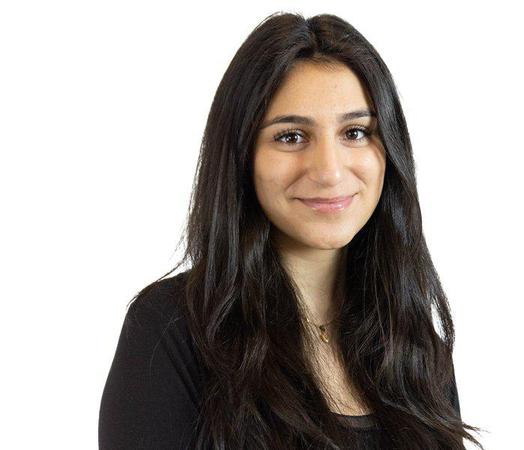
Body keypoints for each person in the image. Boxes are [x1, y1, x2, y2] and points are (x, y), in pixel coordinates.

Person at [98, 11, 483, 450]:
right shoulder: (172, 330)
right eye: (291, 136)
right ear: (242, 154)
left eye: (356, 132)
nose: (329, 171)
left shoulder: (415, 345)